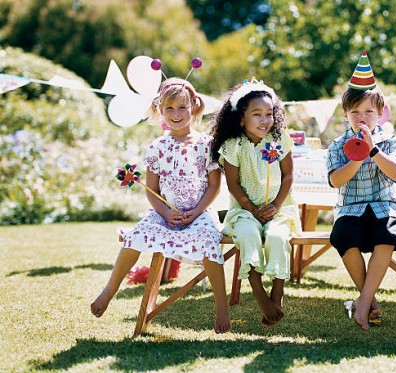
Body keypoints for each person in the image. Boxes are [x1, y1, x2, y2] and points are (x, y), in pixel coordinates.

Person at [91, 77, 231, 334]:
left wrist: (196, 212)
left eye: (182, 107)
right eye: (169, 108)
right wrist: (165, 211)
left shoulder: (207, 145)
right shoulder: (157, 147)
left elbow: (214, 186)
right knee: (134, 237)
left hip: (198, 212)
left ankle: (221, 304)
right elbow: (152, 191)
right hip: (164, 213)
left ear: (194, 108)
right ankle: (109, 290)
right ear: (160, 111)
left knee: (210, 241)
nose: (176, 114)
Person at [326, 51, 396, 330]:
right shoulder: (337, 145)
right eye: (355, 112)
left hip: (385, 206)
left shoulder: (388, 141)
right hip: (350, 208)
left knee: (386, 235)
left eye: (368, 112)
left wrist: (373, 149)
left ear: (380, 113)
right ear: (345, 114)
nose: (362, 117)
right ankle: (370, 299)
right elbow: (336, 181)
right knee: (343, 237)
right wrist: (356, 156)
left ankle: (363, 302)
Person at [210, 78, 302, 326]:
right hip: (244, 210)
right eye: (257, 114)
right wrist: (250, 208)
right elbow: (233, 184)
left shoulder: (279, 139)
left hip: (279, 209)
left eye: (269, 113)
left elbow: (288, 175)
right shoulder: (233, 145)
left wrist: (276, 205)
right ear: (241, 118)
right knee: (248, 234)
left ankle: (278, 291)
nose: (264, 120)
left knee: (277, 237)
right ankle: (257, 288)